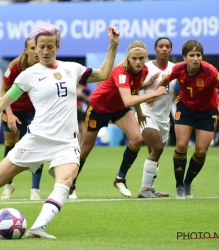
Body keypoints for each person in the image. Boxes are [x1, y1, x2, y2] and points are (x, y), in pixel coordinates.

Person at [0, 23, 120, 239]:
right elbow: (3, 101)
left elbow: (102, 74)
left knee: (66, 180)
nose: (44, 51)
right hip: (36, 140)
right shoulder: (28, 75)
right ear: (34, 47)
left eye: (49, 47)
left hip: (66, 143)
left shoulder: (71, 69)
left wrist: (112, 46)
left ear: (57, 46)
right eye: (40, 47)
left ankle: (38, 227)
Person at [69, 41, 167, 199]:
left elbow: (133, 91)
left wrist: (140, 113)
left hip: (119, 109)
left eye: (141, 58)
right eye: (134, 58)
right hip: (98, 109)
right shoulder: (120, 71)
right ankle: (70, 184)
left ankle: (120, 178)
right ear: (128, 57)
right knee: (86, 149)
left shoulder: (144, 70)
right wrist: (154, 93)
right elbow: (129, 100)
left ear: (146, 57)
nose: (137, 62)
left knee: (136, 139)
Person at [156, 40, 219, 199]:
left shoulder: (210, 72)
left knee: (201, 151)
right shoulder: (178, 69)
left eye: (198, 55)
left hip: (208, 111)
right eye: (192, 55)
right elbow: (165, 80)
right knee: (181, 145)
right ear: (185, 57)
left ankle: (187, 183)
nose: (196, 58)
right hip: (185, 109)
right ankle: (178, 186)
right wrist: (156, 93)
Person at [0, 37, 43, 200]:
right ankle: (8, 184)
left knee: (36, 145)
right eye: (32, 48)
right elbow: (3, 91)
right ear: (26, 50)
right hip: (13, 108)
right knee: (10, 145)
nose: (36, 51)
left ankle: (35, 190)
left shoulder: (44, 67)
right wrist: (10, 114)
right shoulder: (15, 66)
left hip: (33, 110)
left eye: (37, 47)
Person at [136, 37, 177, 198]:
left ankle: (151, 188)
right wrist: (149, 90)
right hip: (146, 112)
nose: (164, 49)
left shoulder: (175, 68)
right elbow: (131, 88)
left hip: (164, 118)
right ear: (155, 49)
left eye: (168, 46)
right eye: (161, 46)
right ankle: (144, 189)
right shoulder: (146, 68)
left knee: (155, 153)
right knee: (158, 148)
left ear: (171, 50)